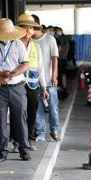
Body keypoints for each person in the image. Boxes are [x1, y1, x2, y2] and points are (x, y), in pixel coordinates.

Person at [0, 18, 31, 161]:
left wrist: (11, 75)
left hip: (17, 86)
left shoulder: (18, 44)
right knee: (0, 120)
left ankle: (24, 149)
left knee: (20, 119)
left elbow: (25, 64)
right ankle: (2, 151)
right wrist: (1, 74)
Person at [15, 14, 49, 146]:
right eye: (24, 27)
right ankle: (16, 140)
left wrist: (44, 87)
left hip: (33, 86)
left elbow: (41, 69)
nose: (28, 30)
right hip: (17, 84)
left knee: (31, 113)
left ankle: (28, 139)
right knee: (18, 113)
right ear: (19, 29)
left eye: (30, 28)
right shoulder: (13, 45)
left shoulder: (36, 47)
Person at [31, 14, 61, 142]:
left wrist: (54, 76)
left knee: (53, 107)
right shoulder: (29, 41)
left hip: (49, 80)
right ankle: (40, 132)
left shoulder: (49, 39)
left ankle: (54, 130)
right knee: (38, 108)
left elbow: (55, 59)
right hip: (34, 82)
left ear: (35, 25)